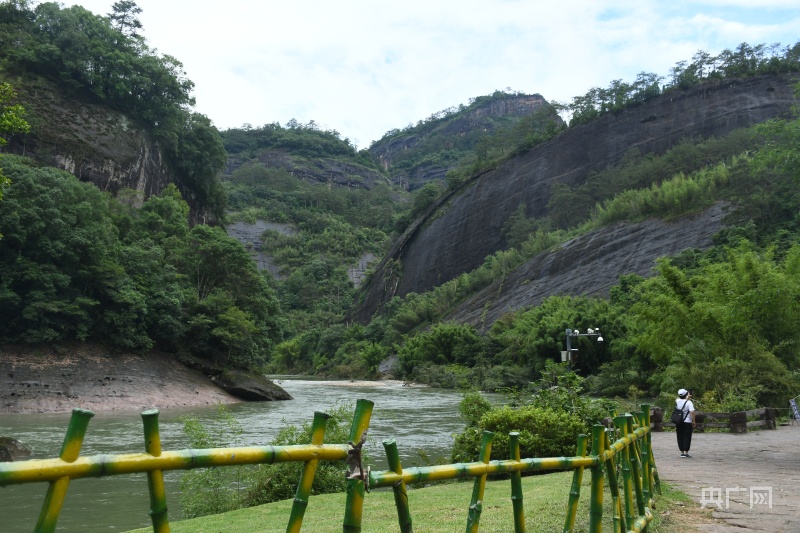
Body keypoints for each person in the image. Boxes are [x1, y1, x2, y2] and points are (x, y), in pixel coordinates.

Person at [675, 388, 696, 457]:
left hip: (679, 421)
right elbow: (692, 412)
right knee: (687, 436)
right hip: (687, 421)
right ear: (686, 394)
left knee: (680, 436)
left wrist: (687, 397)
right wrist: (693, 421)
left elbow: (683, 401)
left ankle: (681, 451)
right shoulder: (689, 403)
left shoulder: (677, 401)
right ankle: (686, 452)